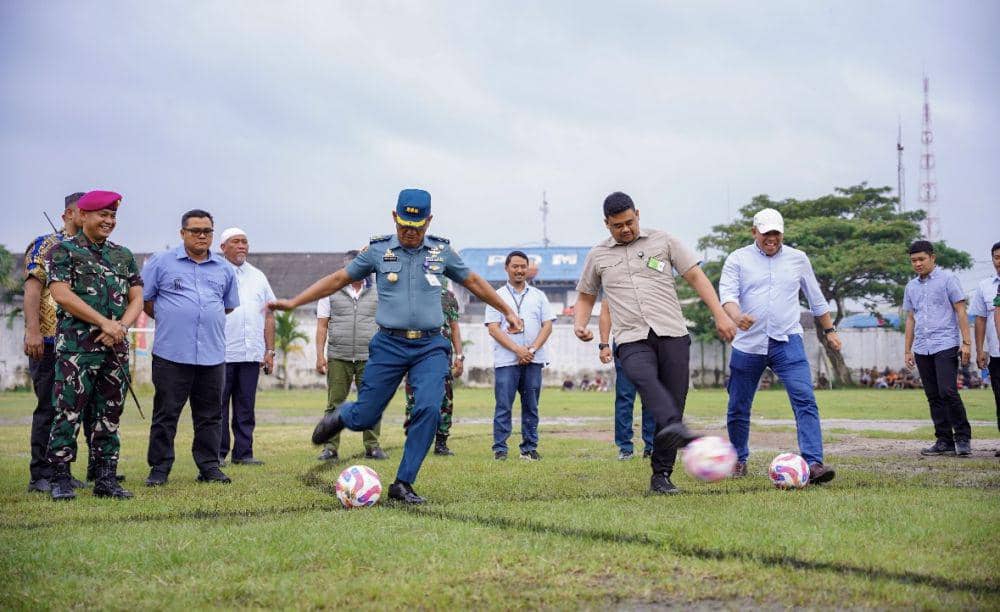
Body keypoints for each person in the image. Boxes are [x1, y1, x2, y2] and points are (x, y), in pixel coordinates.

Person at [273, 188, 521, 504]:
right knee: (365, 416)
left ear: (429, 222)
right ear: (394, 217)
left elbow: (473, 282)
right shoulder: (378, 251)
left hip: (431, 346)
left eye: (417, 228)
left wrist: (507, 311)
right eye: (404, 225)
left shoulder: (441, 252)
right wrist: (295, 301)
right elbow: (337, 279)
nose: (409, 233)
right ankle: (341, 416)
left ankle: (403, 483)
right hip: (388, 345)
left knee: (429, 408)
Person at [573, 191, 736, 495]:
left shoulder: (663, 242)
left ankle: (661, 475)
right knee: (645, 380)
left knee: (672, 402)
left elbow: (696, 277)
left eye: (629, 222)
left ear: (637, 214)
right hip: (631, 337)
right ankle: (677, 428)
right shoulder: (598, 256)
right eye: (617, 225)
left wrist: (720, 314)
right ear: (606, 224)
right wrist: (580, 324)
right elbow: (585, 296)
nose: (625, 229)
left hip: (672, 333)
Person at [719, 208, 840, 483]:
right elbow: (727, 294)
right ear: (754, 232)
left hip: (787, 342)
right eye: (765, 233)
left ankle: (814, 462)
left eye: (776, 233)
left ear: (782, 233)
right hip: (748, 344)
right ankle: (739, 459)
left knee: (805, 399)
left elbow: (816, 299)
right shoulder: (738, 259)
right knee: (738, 404)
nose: (771, 238)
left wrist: (829, 330)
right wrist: (737, 316)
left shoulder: (798, 259)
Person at [44, 190, 143, 500]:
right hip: (77, 349)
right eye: (102, 214)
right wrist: (105, 323)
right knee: (68, 412)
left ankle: (105, 479)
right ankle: (60, 479)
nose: (109, 221)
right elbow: (61, 294)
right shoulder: (63, 251)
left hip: (114, 349)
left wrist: (122, 326)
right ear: (83, 216)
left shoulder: (123, 255)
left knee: (109, 413)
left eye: (112, 216)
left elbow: (137, 297)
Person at [142, 209, 240, 486]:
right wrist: (175, 318)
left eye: (207, 231)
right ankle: (159, 469)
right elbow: (146, 301)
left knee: (210, 415)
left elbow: (227, 305)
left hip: (211, 354)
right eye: (195, 230)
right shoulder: (161, 262)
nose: (201, 236)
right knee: (166, 414)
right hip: (171, 353)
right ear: (182, 233)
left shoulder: (223, 269)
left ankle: (209, 466)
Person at [22, 193, 89, 493]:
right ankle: (40, 475)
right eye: (84, 211)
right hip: (48, 341)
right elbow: (33, 291)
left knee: (70, 408)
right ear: (68, 214)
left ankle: (62, 470)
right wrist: (32, 330)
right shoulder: (45, 245)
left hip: (78, 342)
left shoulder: (90, 249)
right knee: (48, 406)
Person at [314, 250, 386, 461]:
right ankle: (330, 448)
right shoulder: (330, 290)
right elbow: (322, 325)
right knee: (335, 403)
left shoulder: (379, 290)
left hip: (370, 357)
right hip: (339, 355)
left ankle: (372, 446)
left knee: (372, 403)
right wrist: (320, 355)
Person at [903, 240, 973, 457]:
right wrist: (907, 350)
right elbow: (910, 319)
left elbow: (961, 311)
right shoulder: (911, 286)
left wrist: (966, 343)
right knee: (933, 395)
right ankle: (944, 440)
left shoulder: (948, 279)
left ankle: (962, 437)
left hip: (945, 343)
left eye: (921, 259)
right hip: (922, 347)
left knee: (948, 391)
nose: (917, 264)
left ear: (932, 257)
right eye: (913, 260)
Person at [486, 250, 556, 461]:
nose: (519, 270)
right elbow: (493, 328)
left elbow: (548, 326)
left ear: (528, 269)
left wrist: (531, 350)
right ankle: (500, 449)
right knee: (503, 406)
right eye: (515, 266)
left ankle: (529, 448)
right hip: (507, 361)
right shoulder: (496, 296)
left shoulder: (538, 296)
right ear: (506, 268)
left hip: (533, 360)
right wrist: (518, 350)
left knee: (531, 406)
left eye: (523, 266)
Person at [218, 227, 276, 466]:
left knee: (245, 407)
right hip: (220, 353)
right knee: (217, 407)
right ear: (223, 247)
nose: (242, 246)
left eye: (245, 242)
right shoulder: (215, 272)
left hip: (251, 353)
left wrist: (269, 350)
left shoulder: (258, 276)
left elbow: (270, 315)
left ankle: (243, 454)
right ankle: (217, 453)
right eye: (236, 242)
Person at [403, 278, 464, 456]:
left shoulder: (448, 297)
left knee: (444, 399)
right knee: (414, 399)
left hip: (441, 357)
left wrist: (460, 356)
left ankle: (441, 442)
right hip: (415, 355)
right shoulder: (409, 296)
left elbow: (454, 328)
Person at [599, 300, 654, 460]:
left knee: (652, 396)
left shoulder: (652, 277)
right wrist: (604, 344)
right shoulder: (614, 277)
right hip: (625, 341)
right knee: (625, 396)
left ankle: (651, 446)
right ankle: (625, 448)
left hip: (652, 340)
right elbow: (606, 310)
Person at [970, 241, 1000, 456]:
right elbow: (980, 319)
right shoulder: (985, 286)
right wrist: (980, 350)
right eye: (997, 257)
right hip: (997, 354)